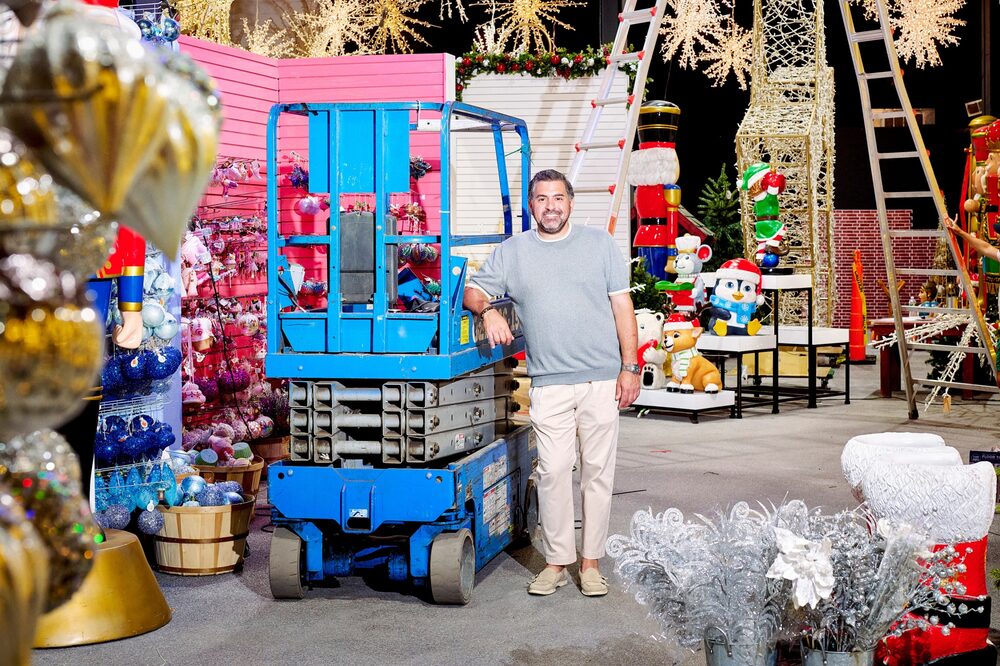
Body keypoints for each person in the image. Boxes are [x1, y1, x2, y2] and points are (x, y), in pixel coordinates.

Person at [462, 169, 640, 598]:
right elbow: (469, 290)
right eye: (541, 199)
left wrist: (630, 367)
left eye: (558, 198)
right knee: (554, 471)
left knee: (597, 473)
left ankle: (591, 562)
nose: (551, 207)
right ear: (532, 206)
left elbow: (623, 307)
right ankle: (558, 562)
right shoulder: (514, 252)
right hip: (550, 383)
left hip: (601, 378)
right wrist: (487, 311)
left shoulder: (599, 245)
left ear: (571, 203)